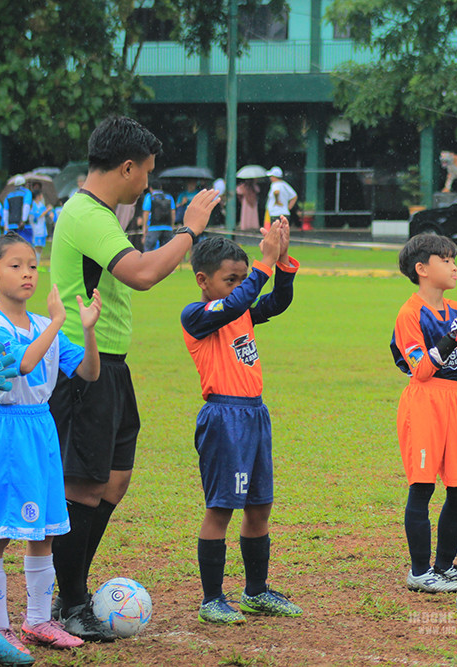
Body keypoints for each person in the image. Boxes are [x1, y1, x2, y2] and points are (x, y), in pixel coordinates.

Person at [48, 115, 218, 641]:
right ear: (126, 167)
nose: (148, 182)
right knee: (84, 485)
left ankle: (68, 588)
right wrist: (190, 229)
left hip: (111, 365)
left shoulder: (99, 212)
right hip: (82, 365)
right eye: (146, 171)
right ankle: (71, 601)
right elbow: (143, 274)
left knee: (114, 481)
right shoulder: (85, 213)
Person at [180, 219, 302, 623]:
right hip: (223, 417)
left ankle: (256, 592)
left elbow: (277, 302)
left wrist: (281, 264)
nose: (239, 287)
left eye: (242, 279)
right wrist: (263, 266)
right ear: (202, 279)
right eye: (230, 279)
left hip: (254, 414)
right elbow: (234, 304)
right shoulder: (196, 315)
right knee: (221, 508)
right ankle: (212, 598)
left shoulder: (239, 311)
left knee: (259, 507)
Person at [0, 233, 102, 657]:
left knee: (43, 531)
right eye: (15, 265)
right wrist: (59, 322)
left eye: (33, 266)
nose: (27, 273)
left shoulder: (44, 325)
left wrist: (88, 331)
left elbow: (89, 373)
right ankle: (0, 629)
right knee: (1, 532)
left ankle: (38, 621)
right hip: (5, 431)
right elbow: (22, 363)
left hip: (41, 430)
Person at [390, 234, 457, 593]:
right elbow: (420, 369)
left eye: (453, 259)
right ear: (422, 269)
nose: (454, 266)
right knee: (421, 486)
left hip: (452, 398)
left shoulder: (453, 308)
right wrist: (455, 334)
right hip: (423, 400)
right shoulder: (409, 312)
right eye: (445, 259)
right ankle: (419, 572)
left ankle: (445, 567)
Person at [140, 179, 176, 251]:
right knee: (167, 251)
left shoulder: (149, 197)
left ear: (150, 188)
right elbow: (173, 212)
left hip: (153, 227)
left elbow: (146, 213)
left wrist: (144, 228)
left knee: (149, 250)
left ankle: (149, 262)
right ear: (161, 187)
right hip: (167, 227)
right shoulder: (169, 197)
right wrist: (172, 225)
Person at [265, 167, 297, 231]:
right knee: (283, 233)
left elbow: (276, 191)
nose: (270, 178)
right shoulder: (285, 185)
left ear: (274, 177)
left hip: (275, 213)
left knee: (276, 234)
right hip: (285, 213)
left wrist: (277, 201)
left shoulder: (275, 184)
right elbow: (294, 196)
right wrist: (288, 207)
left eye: (271, 176)